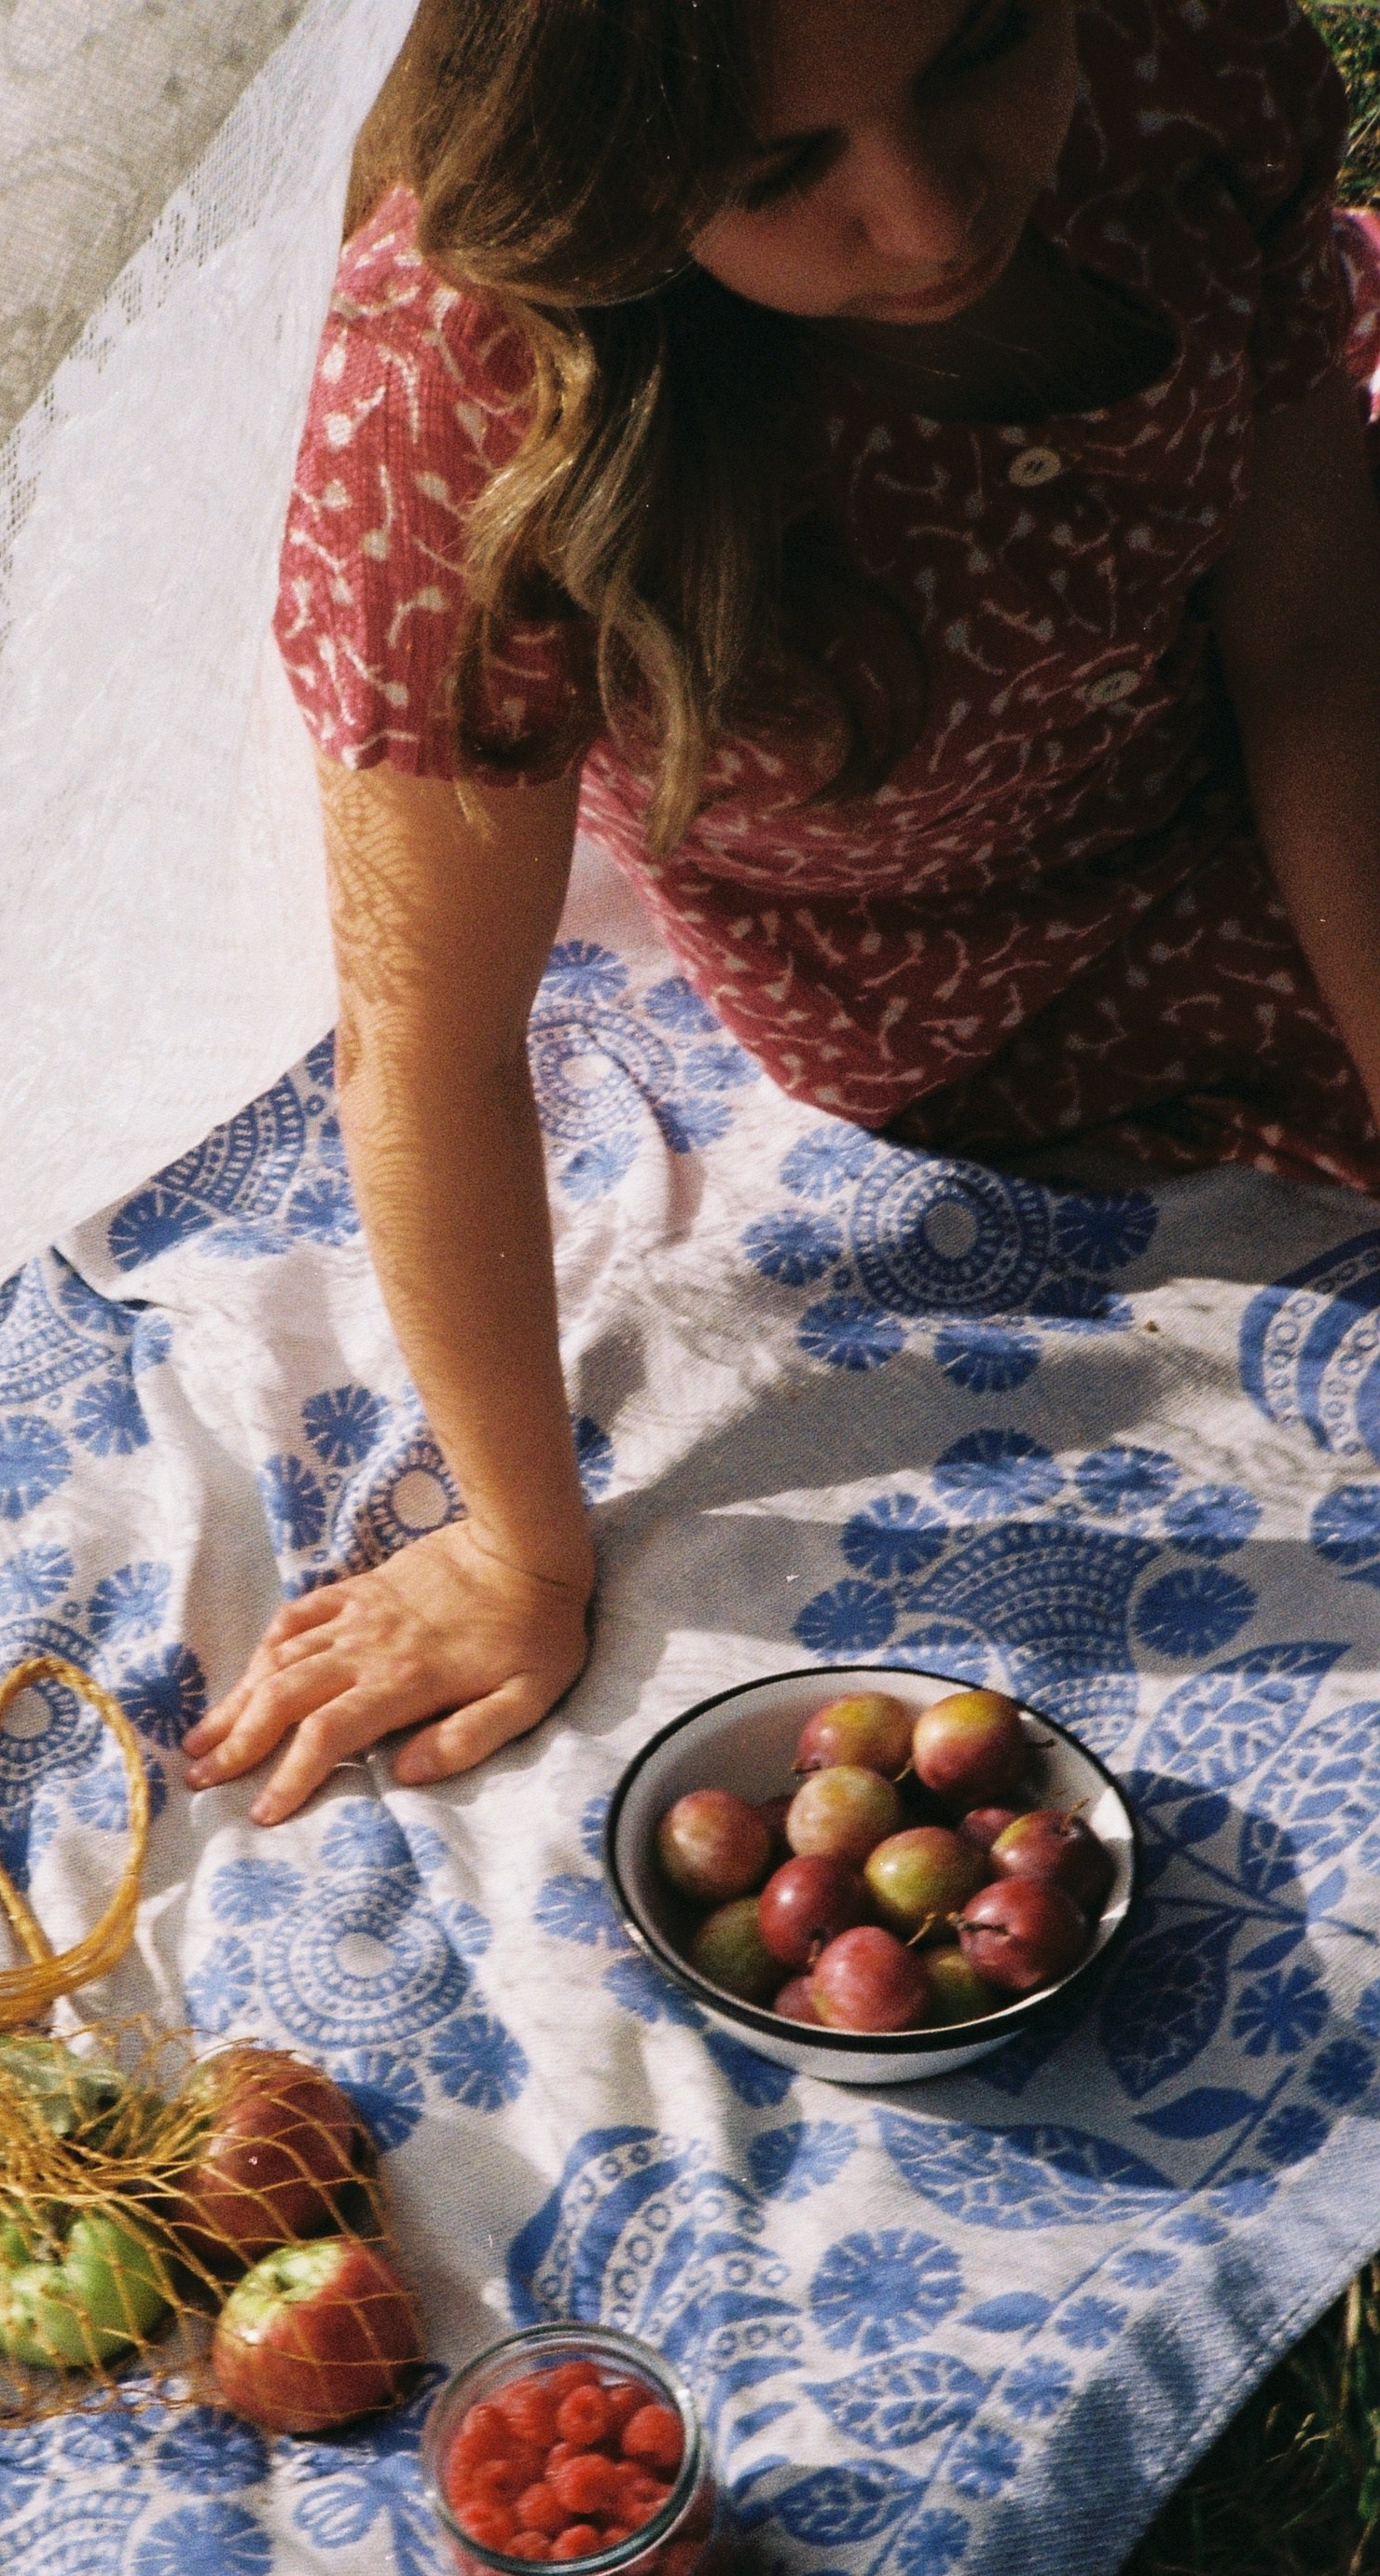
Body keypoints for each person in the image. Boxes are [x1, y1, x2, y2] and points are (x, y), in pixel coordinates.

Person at [179, 0, 1380, 1826]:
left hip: (1248, 739)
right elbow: (420, 1041)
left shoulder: (1182, 66)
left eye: (975, 47)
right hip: (943, 947)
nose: (922, 216)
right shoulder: (450, 402)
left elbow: (1309, 637)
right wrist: (519, 1551)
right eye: (772, 168)